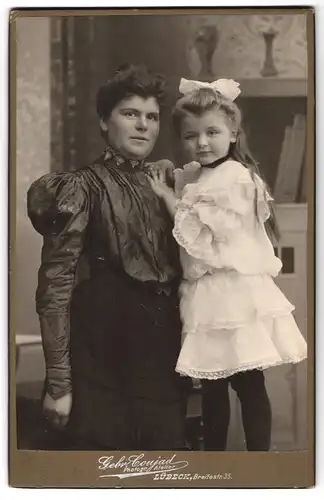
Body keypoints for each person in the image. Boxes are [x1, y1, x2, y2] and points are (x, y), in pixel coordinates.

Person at [27, 64, 188, 451]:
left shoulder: (167, 186)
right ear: (104, 121)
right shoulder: (81, 187)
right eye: (130, 114)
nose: (143, 126)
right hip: (101, 352)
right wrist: (60, 383)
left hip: (161, 353)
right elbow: (56, 287)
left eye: (151, 117)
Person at [147, 77, 307, 451]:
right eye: (191, 136)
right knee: (213, 387)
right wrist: (172, 178)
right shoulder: (204, 175)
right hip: (205, 293)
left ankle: (259, 463)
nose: (201, 143)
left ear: (233, 133)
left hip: (231, 292)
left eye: (212, 132)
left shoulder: (234, 178)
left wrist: (167, 197)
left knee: (249, 384)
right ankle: (214, 463)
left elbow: (201, 232)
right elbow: (185, 179)